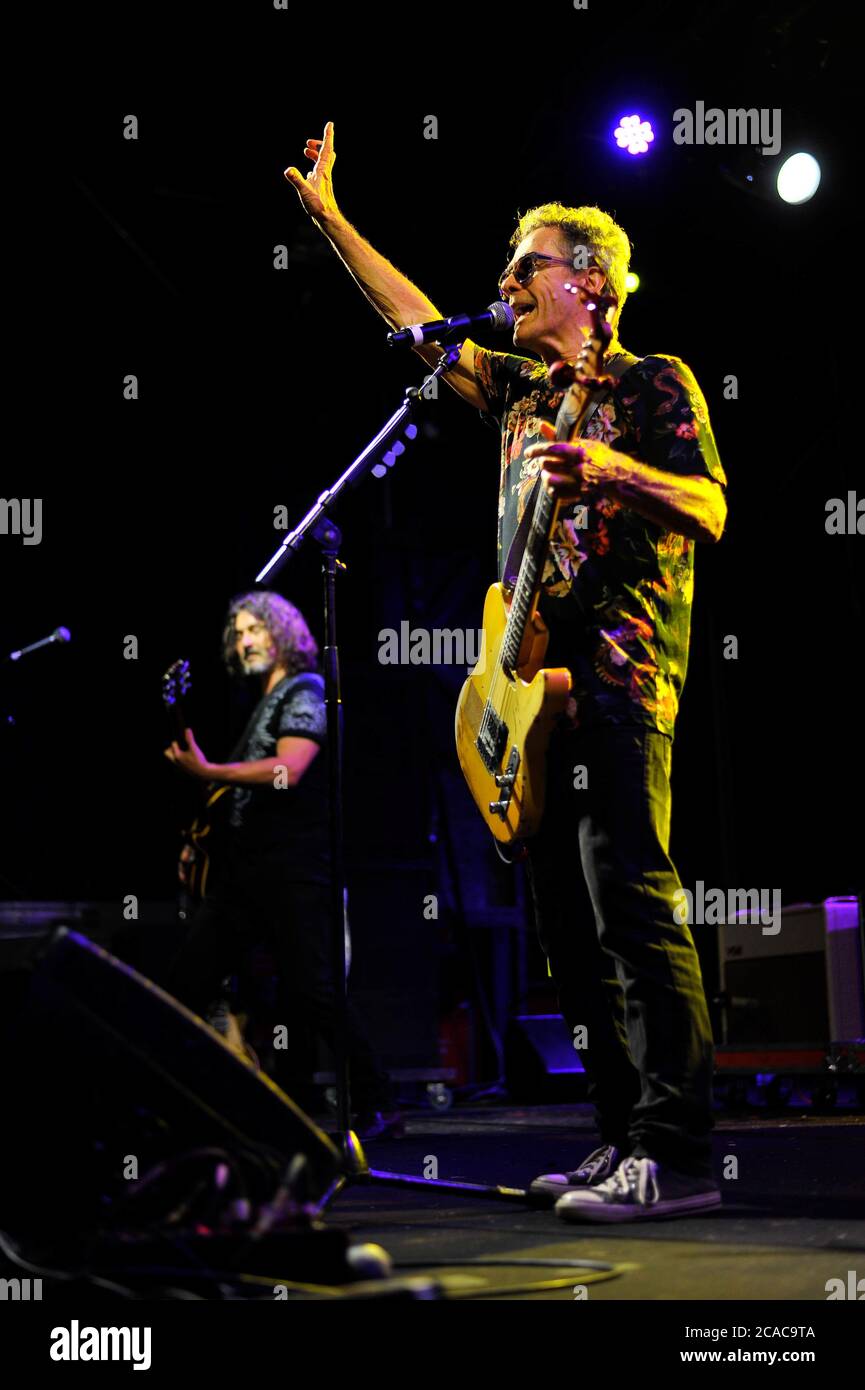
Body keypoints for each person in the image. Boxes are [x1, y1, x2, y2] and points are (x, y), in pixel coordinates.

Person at [285, 123, 728, 1220]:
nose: (505, 282)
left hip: (622, 688)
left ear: (588, 281)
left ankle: (674, 1151)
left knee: (637, 910)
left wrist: (613, 469)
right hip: (537, 706)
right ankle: (618, 1136)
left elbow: (712, 506)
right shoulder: (523, 396)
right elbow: (413, 324)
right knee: (569, 939)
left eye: (523, 266)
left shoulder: (651, 383)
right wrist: (331, 220)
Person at [164, 588, 399, 1140]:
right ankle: (176, 1104)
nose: (244, 641)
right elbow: (237, 799)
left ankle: (377, 1101)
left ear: (283, 632)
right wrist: (196, 841)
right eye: (238, 633)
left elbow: (287, 771)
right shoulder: (261, 705)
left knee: (314, 989)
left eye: (255, 629)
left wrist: (208, 772)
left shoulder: (307, 690)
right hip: (246, 873)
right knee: (187, 980)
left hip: (293, 867)